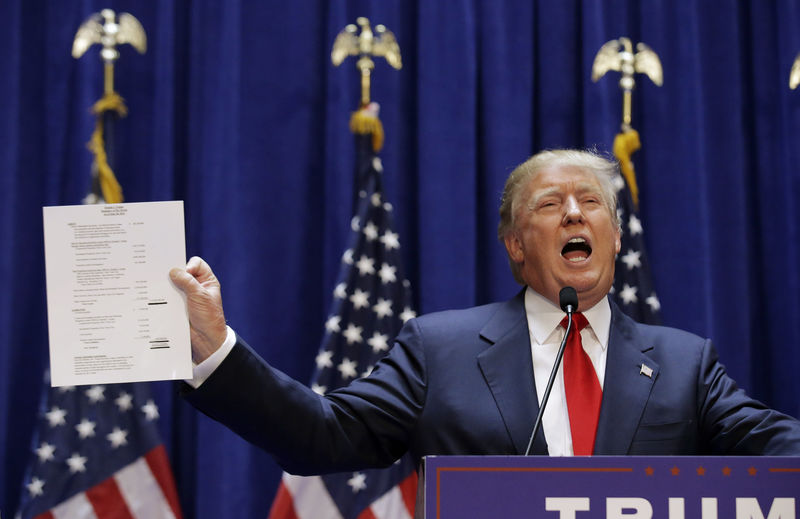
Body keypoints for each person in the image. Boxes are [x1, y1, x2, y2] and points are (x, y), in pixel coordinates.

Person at [170, 149, 800, 476]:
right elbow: (321, 436)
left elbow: (778, 450)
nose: (576, 214)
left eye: (592, 203)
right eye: (551, 204)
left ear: (615, 238)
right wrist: (216, 348)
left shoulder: (685, 364)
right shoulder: (438, 350)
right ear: (516, 246)